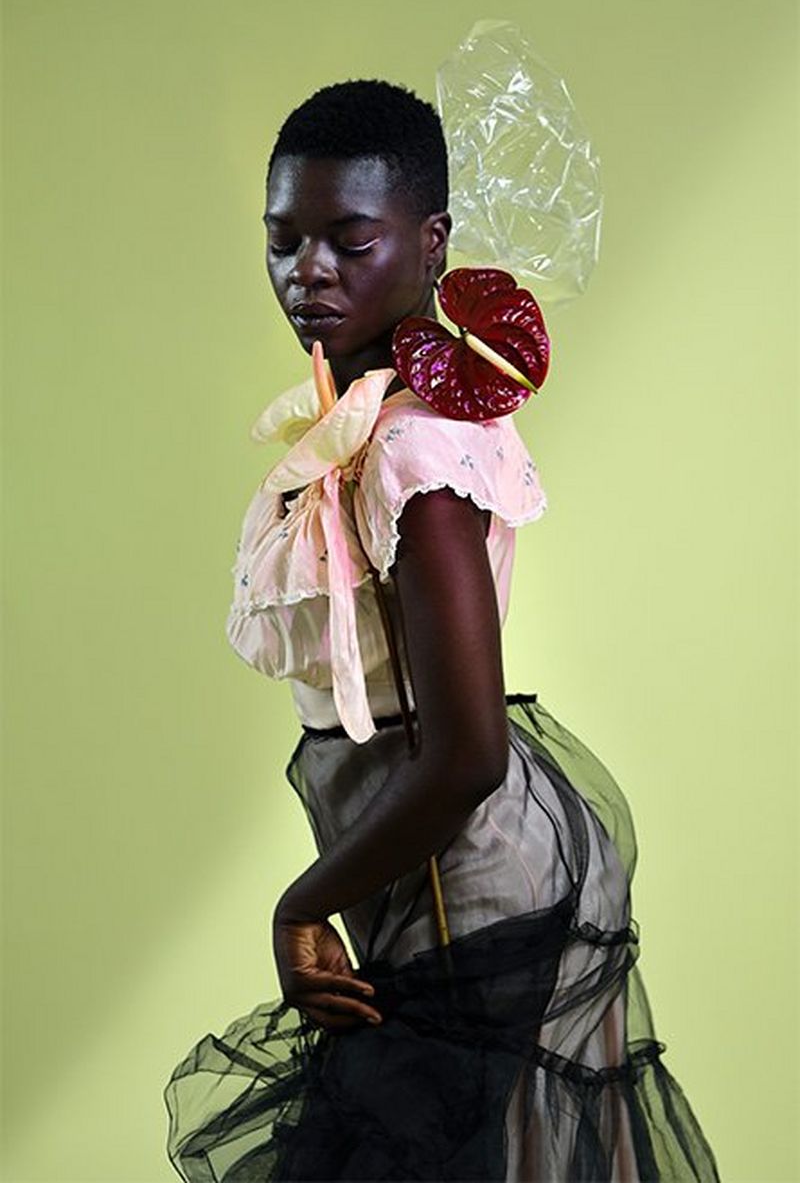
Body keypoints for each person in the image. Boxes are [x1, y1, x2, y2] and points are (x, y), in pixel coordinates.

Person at [163, 79, 721, 1182]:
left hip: (470, 887)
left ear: (430, 244)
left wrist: (300, 903)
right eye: (282, 240)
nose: (305, 270)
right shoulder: (363, 423)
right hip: (422, 875)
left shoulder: (417, 453)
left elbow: (465, 751)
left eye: (346, 239)